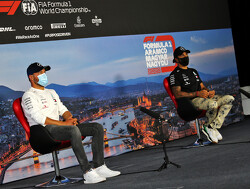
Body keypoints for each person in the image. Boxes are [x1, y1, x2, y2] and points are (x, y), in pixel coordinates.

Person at [21, 62, 121, 184]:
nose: (44, 75)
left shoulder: (51, 92)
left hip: (58, 127)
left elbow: (62, 109)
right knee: (73, 130)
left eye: (44, 72)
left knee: (97, 128)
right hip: (44, 132)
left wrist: (70, 118)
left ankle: (99, 167)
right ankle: (87, 172)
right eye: (40, 73)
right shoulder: (28, 96)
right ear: (31, 77)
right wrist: (65, 124)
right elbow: (38, 118)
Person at [169, 46, 234, 143]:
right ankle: (209, 128)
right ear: (176, 59)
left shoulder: (193, 71)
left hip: (203, 98)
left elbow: (202, 86)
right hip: (191, 102)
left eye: (186, 54)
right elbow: (177, 94)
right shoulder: (174, 75)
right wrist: (197, 93)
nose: (185, 56)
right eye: (182, 55)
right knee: (213, 104)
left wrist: (208, 92)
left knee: (230, 98)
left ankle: (211, 126)